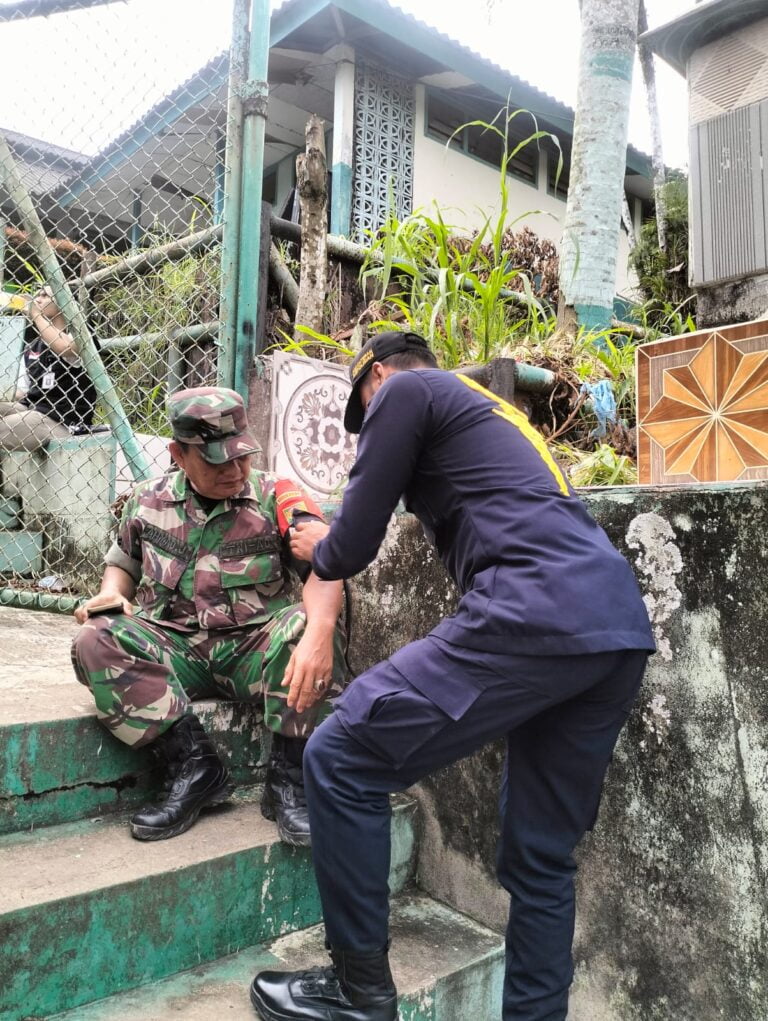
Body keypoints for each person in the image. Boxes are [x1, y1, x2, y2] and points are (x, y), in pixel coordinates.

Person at [249, 331, 656, 1021]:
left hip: (531, 610)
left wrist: (320, 540)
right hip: (612, 627)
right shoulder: (493, 413)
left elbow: (351, 543)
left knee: (342, 753)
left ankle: (358, 992)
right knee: (540, 856)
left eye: (364, 412)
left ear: (378, 376)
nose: (367, 431)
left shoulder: (407, 391)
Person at [71, 386, 347, 845]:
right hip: (174, 647)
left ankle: (288, 782)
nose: (235, 470)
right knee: (94, 638)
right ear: (178, 453)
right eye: (217, 461)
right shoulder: (146, 500)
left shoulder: (277, 494)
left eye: (240, 456)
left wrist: (321, 632)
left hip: (255, 649)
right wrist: (111, 597)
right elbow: (122, 565)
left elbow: (324, 567)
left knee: (306, 626)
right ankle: (194, 767)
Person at [0, 287, 96, 450]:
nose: (37, 299)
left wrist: (35, 314)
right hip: (32, 409)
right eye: (37, 295)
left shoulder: (80, 333)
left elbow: (65, 347)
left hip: (61, 420)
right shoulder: (33, 347)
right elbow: (22, 392)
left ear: (64, 302)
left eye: (45, 296)